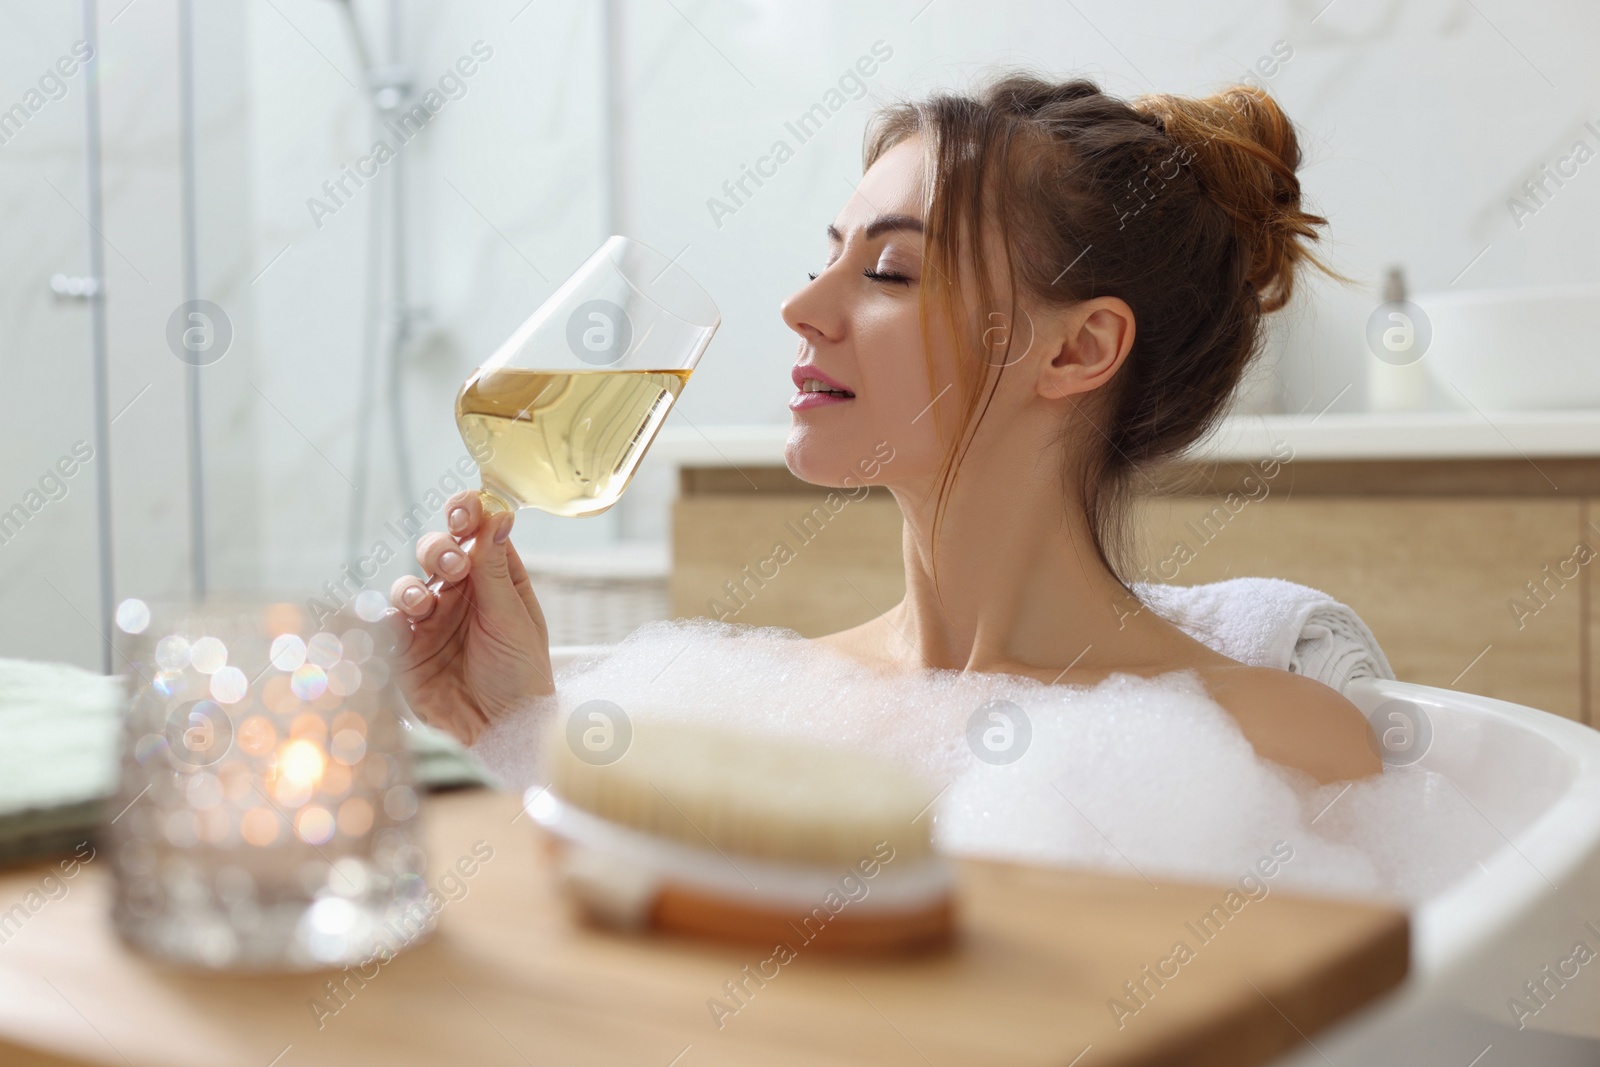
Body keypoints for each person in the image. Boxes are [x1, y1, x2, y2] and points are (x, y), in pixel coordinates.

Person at [386, 72, 1381, 783]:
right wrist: (509, 728)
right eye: (828, 256)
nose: (801, 307)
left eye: (891, 272)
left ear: (1075, 351)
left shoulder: (1268, 747)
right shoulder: (758, 707)